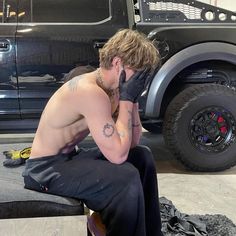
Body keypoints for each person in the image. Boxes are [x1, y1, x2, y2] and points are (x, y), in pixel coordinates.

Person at [22, 29, 163, 236]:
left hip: (70, 158)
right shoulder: (89, 91)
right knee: (125, 178)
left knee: (142, 157)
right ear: (118, 64)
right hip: (45, 170)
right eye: (138, 73)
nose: (140, 81)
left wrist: (131, 100)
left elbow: (131, 144)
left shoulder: (113, 90)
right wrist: (126, 100)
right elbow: (118, 155)